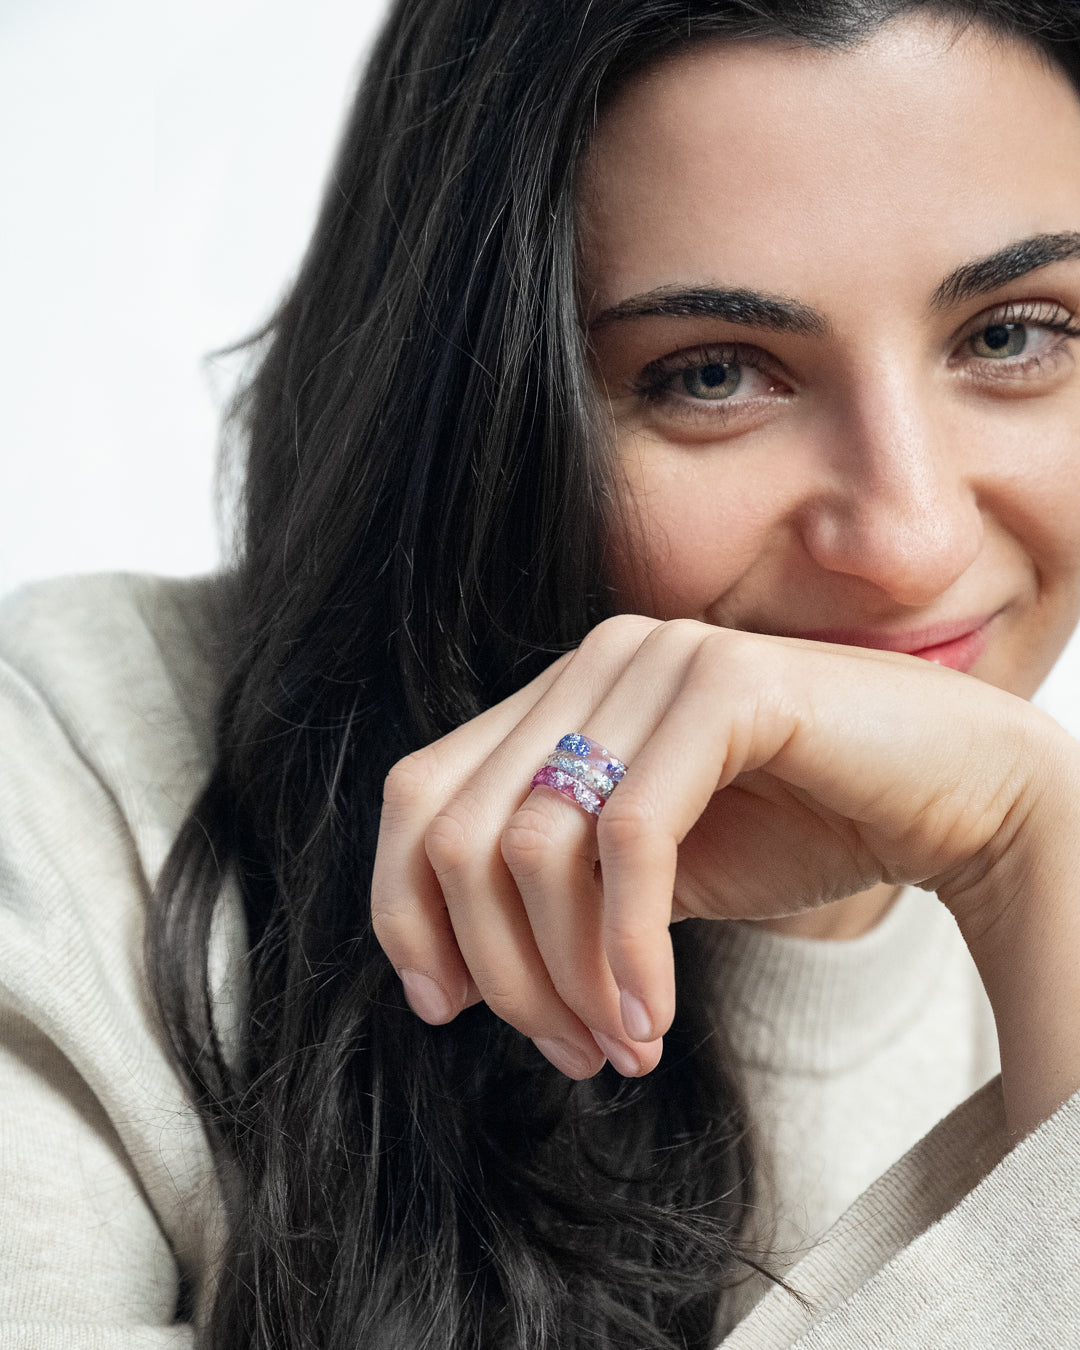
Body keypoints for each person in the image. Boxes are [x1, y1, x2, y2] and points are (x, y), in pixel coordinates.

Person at [1, 0, 1078, 1346]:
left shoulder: (1055, 890)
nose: (911, 541)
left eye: (1011, 335)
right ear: (481, 407)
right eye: (712, 373)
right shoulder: (83, 770)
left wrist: (1030, 861)